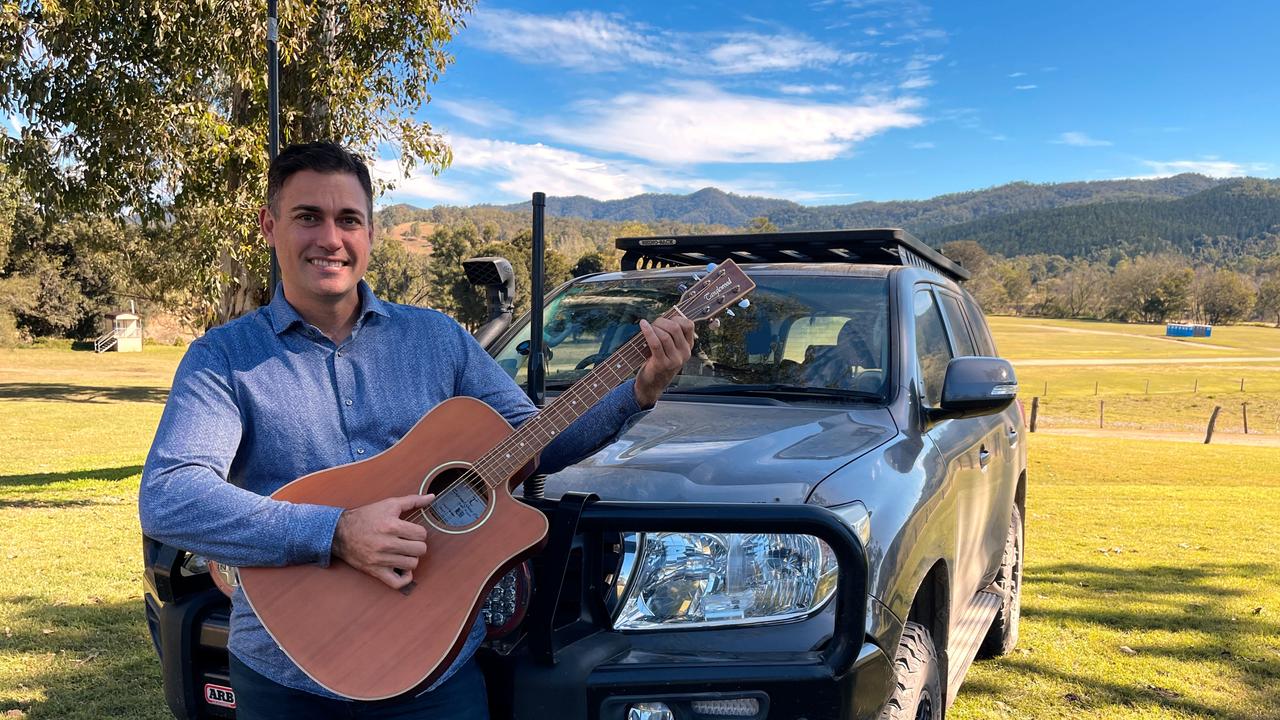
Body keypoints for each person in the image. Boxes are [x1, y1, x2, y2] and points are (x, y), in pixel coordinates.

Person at [138, 142, 695, 719]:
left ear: (371, 234)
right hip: (287, 676)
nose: (331, 238)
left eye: (348, 219)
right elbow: (171, 496)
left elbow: (534, 442)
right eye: (309, 217)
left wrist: (638, 390)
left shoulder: (438, 340)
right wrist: (336, 531)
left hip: (435, 675)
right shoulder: (224, 358)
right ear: (269, 225)